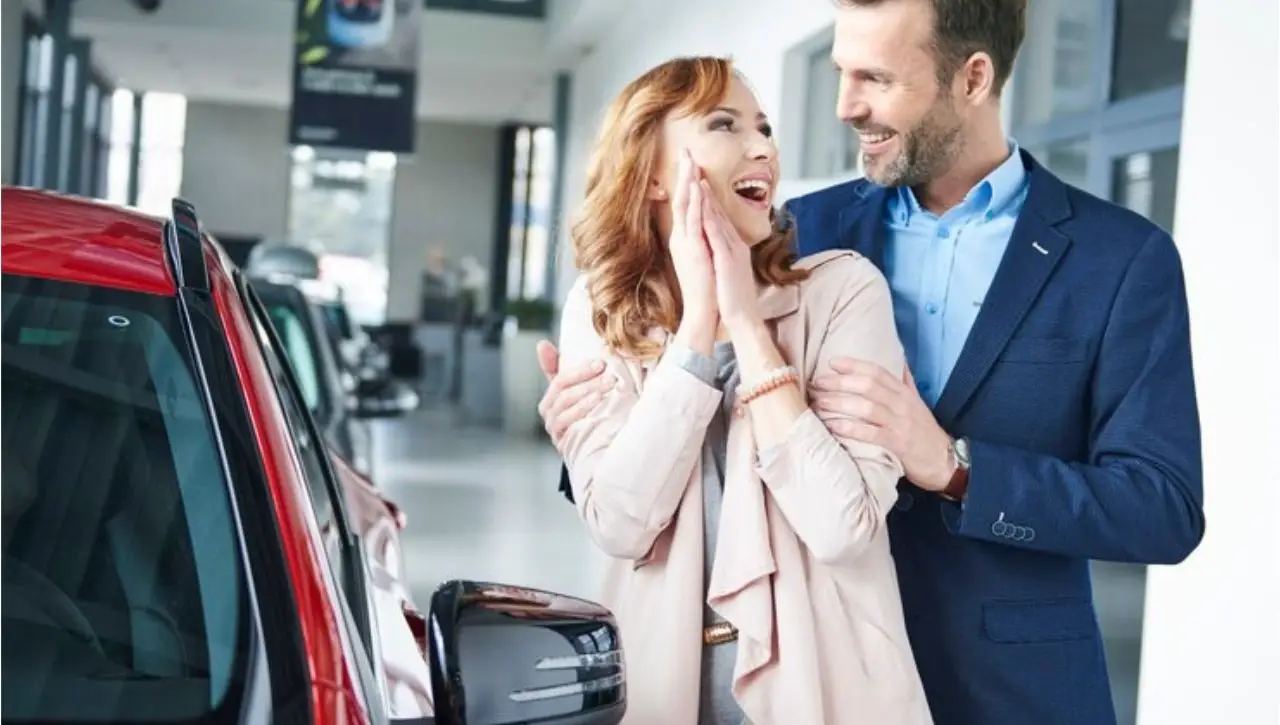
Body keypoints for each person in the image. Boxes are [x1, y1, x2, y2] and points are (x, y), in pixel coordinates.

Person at [539, 1, 1205, 724]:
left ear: (972, 78)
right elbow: (695, 421)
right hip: (813, 668)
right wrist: (585, 439)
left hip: (1011, 682)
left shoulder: (1121, 259)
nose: (844, 106)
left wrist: (958, 470)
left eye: (875, 79)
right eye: (840, 73)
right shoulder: (798, 234)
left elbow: (1162, 508)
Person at [551, 56, 933, 725]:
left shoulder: (843, 291)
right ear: (651, 173)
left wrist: (747, 324)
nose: (763, 147)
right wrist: (699, 325)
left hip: (830, 691)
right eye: (725, 125)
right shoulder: (599, 309)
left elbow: (844, 528)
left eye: (763, 127)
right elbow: (620, 521)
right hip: (661, 690)